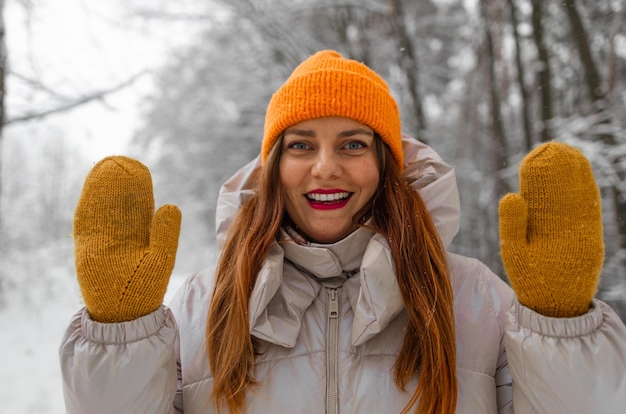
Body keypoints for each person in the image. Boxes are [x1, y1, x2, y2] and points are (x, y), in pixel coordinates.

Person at [60, 50, 626, 414]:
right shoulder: (201, 306)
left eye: (353, 144)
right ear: (273, 168)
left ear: (386, 164)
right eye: (300, 145)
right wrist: (121, 337)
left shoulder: (474, 299)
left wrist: (560, 326)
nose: (325, 168)